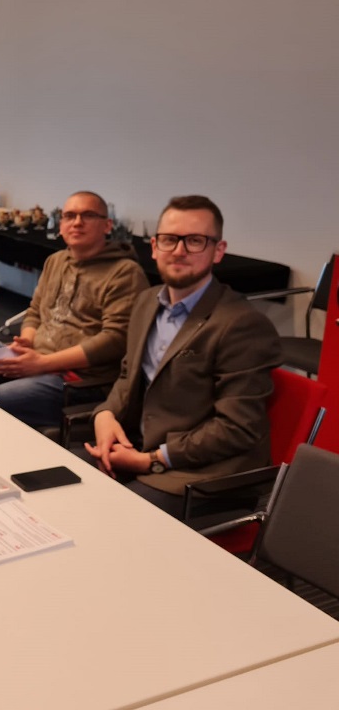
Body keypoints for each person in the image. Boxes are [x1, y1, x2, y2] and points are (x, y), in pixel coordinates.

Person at [85, 195, 282, 518]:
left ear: (218, 251)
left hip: (204, 475)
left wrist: (153, 460)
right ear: (154, 246)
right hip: (143, 444)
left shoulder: (243, 324)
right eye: (169, 240)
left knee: (109, 517)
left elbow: (236, 428)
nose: (179, 251)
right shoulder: (147, 301)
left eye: (195, 241)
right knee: (62, 484)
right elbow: (127, 376)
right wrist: (105, 415)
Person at [0, 191, 148, 428]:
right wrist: (26, 342)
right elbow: (34, 312)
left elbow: (115, 340)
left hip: (77, 380)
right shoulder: (55, 260)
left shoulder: (125, 272)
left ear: (107, 225)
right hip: (34, 359)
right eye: (69, 216)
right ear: (61, 225)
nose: (77, 222)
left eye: (88, 215)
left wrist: (43, 363)